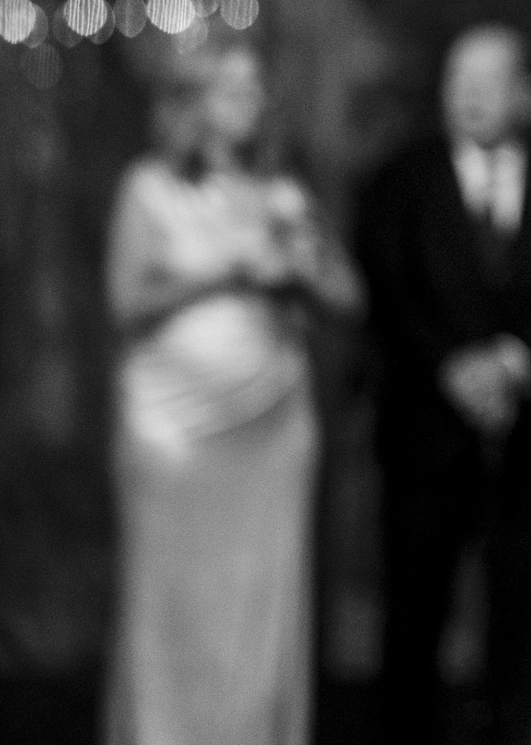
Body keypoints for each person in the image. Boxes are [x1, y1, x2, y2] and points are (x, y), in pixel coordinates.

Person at [107, 41, 358, 745]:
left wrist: (303, 263)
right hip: (174, 434)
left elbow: (348, 297)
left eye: (255, 89)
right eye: (229, 89)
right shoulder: (149, 187)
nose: (247, 103)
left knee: (258, 610)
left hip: (271, 427)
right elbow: (127, 302)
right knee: (174, 608)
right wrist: (230, 267)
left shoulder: (282, 193)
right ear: (194, 104)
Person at [358, 26, 531, 745]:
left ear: (524, 94)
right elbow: (387, 288)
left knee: (518, 621)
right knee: (413, 619)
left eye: (488, 80)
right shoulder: (400, 178)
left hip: (530, 438)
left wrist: (516, 361)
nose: (470, 94)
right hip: (424, 436)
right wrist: (452, 366)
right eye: (457, 77)